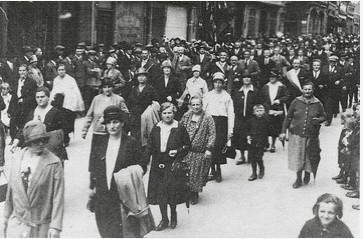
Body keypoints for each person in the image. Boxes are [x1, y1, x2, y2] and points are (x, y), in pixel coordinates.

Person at [89, 105, 152, 238]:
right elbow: (94, 167)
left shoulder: (131, 143)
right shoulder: (100, 142)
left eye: (116, 122)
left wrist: (129, 174)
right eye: (109, 122)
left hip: (123, 196)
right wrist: (92, 187)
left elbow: (142, 165)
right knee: (105, 229)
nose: (112, 126)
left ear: (122, 123)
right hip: (103, 196)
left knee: (125, 231)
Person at [3, 121, 64, 238]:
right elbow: (11, 191)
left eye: (44, 140)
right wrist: (5, 217)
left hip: (42, 224)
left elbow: (58, 196)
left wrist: (55, 226)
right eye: (36, 141)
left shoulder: (54, 162)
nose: (41, 144)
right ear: (28, 142)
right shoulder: (17, 158)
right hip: (20, 223)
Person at [146, 102, 191, 231]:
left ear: (174, 113)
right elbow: (150, 146)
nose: (167, 115)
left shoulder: (179, 127)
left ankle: (173, 215)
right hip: (158, 164)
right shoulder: (156, 128)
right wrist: (143, 161)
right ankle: (164, 219)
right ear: (161, 114)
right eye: (164, 113)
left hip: (172, 165)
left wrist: (177, 151)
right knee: (160, 193)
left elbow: (187, 146)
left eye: (169, 113)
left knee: (171, 192)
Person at [279, 82, 327, 189]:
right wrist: (283, 131)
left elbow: (324, 116)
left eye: (309, 89)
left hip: (311, 135)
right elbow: (288, 117)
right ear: (302, 90)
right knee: (298, 156)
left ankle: (307, 174)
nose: (307, 91)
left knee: (309, 155)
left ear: (313, 90)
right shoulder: (296, 101)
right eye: (305, 89)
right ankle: (298, 178)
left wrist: (318, 120)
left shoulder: (317, 103)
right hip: (297, 134)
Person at [11, 86, 68, 162]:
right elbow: (25, 128)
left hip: (51, 148)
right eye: (37, 97)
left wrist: (43, 126)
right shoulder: (32, 112)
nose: (39, 99)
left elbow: (63, 130)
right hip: (35, 148)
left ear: (48, 97)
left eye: (42, 97)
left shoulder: (55, 112)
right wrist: (16, 141)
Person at [180, 96, 215, 204]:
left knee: (196, 174)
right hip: (186, 150)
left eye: (198, 104)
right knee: (186, 172)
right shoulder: (186, 116)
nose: (195, 107)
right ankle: (186, 192)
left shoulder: (208, 118)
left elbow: (212, 133)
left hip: (199, 151)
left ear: (201, 105)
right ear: (190, 105)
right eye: (193, 105)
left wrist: (209, 148)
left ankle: (194, 193)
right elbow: (179, 128)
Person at [203, 72, 234, 182]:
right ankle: (212, 170)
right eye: (216, 82)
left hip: (222, 124)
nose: (218, 85)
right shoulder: (208, 95)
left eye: (220, 82)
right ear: (213, 83)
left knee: (219, 147)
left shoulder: (227, 96)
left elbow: (231, 114)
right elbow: (203, 111)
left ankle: (218, 170)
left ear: (223, 84)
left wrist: (230, 130)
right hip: (210, 122)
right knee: (210, 146)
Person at [50, 63, 85, 145]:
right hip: (58, 103)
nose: (61, 71)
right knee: (58, 121)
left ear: (65, 70)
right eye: (59, 70)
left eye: (62, 70)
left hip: (68, 103)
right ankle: (60, 138)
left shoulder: (70, 80)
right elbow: (54, 91)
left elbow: (75, 92)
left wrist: (76, 103)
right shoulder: (56, 80)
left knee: (66, 121)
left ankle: (66, 138)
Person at [233, 70, 259, 165]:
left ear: (251, 79)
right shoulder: (238, 91)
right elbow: (234, 105)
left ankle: (251, 156)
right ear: (242, 79)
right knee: (241, 137)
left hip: (251, 119)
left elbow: (258, 105)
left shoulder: (255, 91)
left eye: (248, 77)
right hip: (240, 118)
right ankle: (242, 156)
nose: (246, 79)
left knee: (251, 137)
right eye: (245, 77)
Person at [128, 67, 159, 144]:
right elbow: (129, 102)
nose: (141, 78)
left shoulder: (151, 89)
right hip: (135, 117)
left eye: (143, 76)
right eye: (139, 76)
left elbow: (156, 103)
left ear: (146, 77)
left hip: (146, 116)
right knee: (135, 138)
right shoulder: (133, 89)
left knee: (146, 138)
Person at [259, 70, 288, 152]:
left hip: (277, 109)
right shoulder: (265, 87)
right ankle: (265, 144)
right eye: (270, 77)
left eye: (273, 77)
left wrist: (279, 100)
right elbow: (261, 97)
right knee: (265, 127)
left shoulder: (282, 86)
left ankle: (273, 144)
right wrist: (265, 105)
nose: (271, 78)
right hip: (267, 109)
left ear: (277, 78)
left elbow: (287, 96)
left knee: (274, 128)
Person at [246, 105, 270, 181]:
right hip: (252, 142)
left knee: (259, 157)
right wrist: (248, 136)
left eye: (261, 110)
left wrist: (266, 144)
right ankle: (254, 173)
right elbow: (247, 129)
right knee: (253, 158)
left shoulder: (266, 120)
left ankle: (262, 169)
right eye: (257, 111)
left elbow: (268, 132)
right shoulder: (251, 120)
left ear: (264, 111)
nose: (259, 112)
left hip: (261, 142)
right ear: (254, 112)